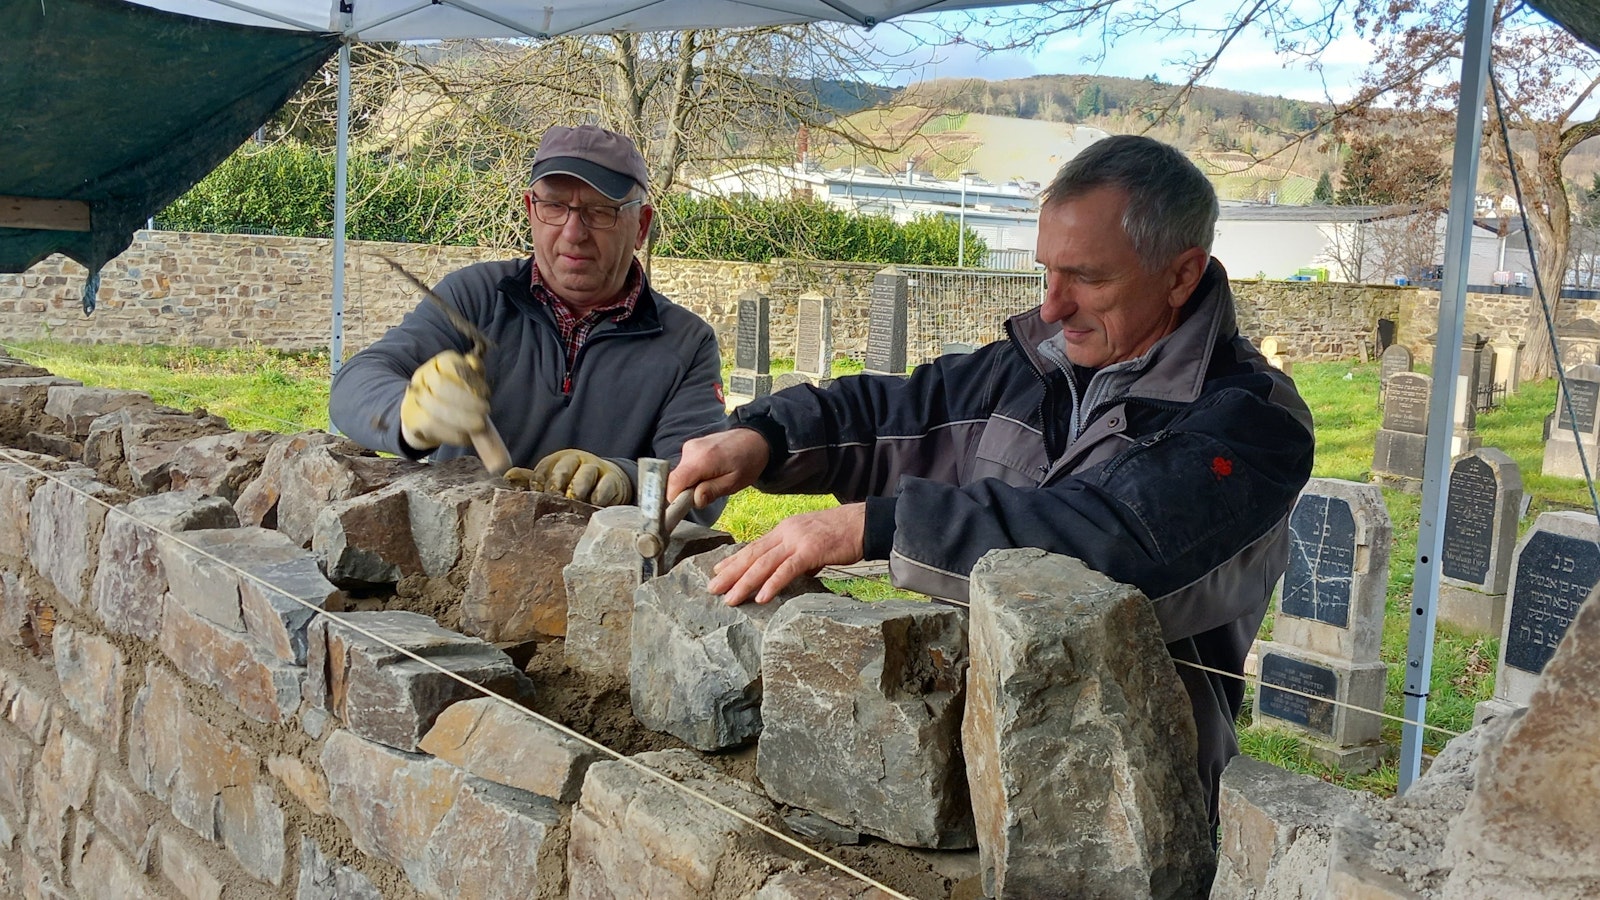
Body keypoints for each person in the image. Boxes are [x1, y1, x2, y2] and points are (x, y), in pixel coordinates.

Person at [666, 134, 1315, 824]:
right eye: (1048, 273)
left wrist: (875, 526)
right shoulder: (1033, 364)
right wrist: (764, 436)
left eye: (1089, 278)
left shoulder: (1248, 420)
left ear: (1182, 275)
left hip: (1124, 802)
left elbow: (1115, 546)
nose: (1054, 306)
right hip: (965, 758)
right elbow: (900, 410)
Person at [331, 124, 727, 520]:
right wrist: (409, 416)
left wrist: (624, 480)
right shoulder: (476, 298)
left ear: (640, 226)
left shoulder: (686, 344)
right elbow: (353, 385)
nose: (574, 233)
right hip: (456, 561)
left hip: (600, 573)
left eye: (599, 211)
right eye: (554, 206)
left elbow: (701, 484)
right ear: (530, 210)